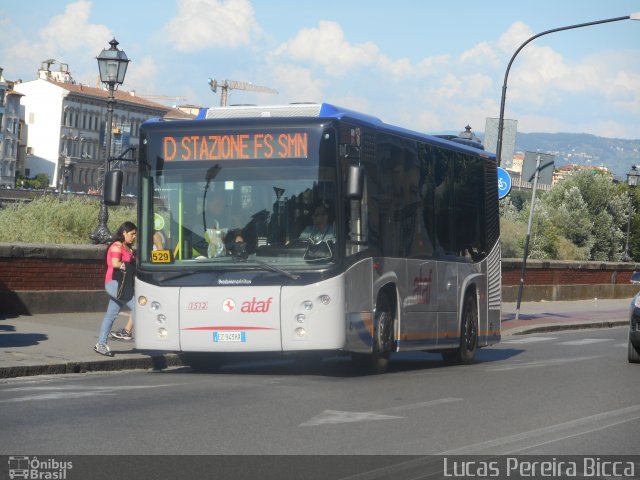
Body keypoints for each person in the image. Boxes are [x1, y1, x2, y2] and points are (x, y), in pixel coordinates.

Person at [94, 221, 137, 356]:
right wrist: (131, 266)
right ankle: (126, 332)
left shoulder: (128, 248)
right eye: (132, 234)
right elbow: (115, 263)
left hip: (123, 284)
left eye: (136, 234)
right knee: (140, 308)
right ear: (124, 232)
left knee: (110, 315)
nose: (134, 237)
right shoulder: (117, 246)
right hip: (114, 283)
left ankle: (101, 344)